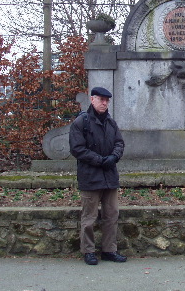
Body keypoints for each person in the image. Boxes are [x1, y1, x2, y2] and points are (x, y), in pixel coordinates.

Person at [69, 86, 126, 265]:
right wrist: (100, 160)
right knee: (89, 217)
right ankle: (88, 251)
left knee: (111, 215)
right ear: (92, 100)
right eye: (101, 99)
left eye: (106, 100)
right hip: (90, 176)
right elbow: (77, 149)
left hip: (109, 177)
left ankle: (110, 250)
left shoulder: (111, 122)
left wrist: (114, 156)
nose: (104, 103)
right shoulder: (81, 122)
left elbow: (119, 142)